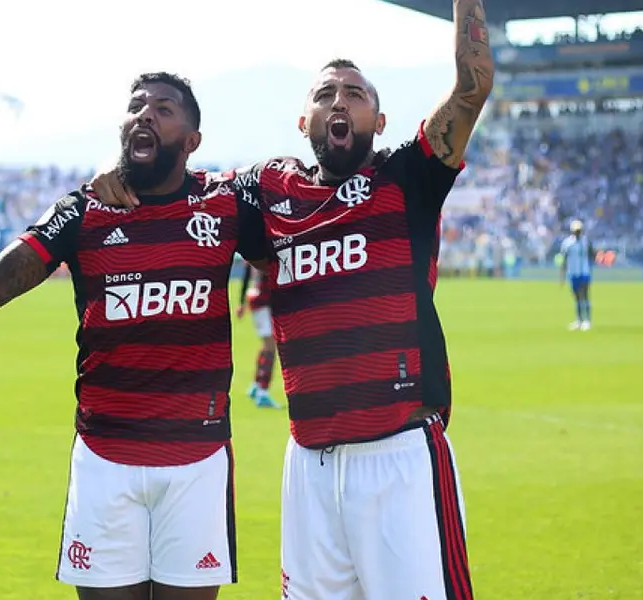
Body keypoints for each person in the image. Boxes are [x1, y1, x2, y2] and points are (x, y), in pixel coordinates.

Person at [91, 3, 495, 597]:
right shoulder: (266, 193)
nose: (339, 101)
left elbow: (472, 86)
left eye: (355, 94)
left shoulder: (408, 179)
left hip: (400, 455)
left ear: (379, 121)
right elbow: (176, 188)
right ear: (302, 117)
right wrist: (121, 167)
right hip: (308, 461)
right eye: (326, 92)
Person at [0, 72, 266, 600]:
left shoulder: (226, 202)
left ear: (192, 141)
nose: (145, 113)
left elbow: (291, 249)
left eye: (164, 109)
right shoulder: (82, 210)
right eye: (137, 105)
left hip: (197, 460)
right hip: (104, 460)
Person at [235, 265, 279, 408]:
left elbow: (246, 273)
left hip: (255, 297)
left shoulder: (254, 249)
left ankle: (255, 385)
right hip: (264, 299)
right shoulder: (269, 247)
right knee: (270, 346)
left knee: (266, 344)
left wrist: (241, 302)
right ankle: (262, 391)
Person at [558, 219, 595, 331]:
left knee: (585, 295)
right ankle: (579, 320)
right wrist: (562, 275)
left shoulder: (586, 242)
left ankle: (587, 320)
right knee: (577, 297)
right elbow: (564, 259)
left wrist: (590, 267)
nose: (578, 233)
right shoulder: (567, 243)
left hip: (584, 272)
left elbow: (592, 255)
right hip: (573, 272)